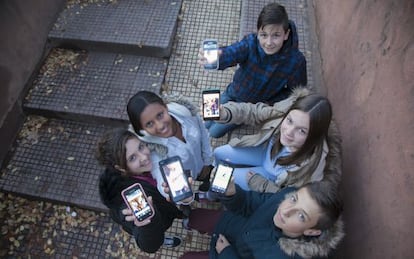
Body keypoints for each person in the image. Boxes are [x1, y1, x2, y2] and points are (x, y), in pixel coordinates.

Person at [149, 180, 344, 258]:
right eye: (294, 199)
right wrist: (235, 194)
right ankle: (195, 226)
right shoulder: (288, 194)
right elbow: (253, 202)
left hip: (234, 252)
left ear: (311, 231)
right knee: (197, 216)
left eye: (301, 215)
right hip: (235, 225)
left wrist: (226, 253)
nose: (286, 210)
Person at [199, 3, 307, 138]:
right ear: (257, 32)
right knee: (206, 120)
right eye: (264, 35)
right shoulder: (250, 43)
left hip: (253, 106)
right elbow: (234, 52)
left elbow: (295, 93)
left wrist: (269, 105)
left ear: (286, 34)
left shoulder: (296, 61)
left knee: (214, 132)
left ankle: (241, 120)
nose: (268, 42)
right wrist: (219, 57)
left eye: (276, 35)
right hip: (234, 92)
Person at [213, 87, 342, 193]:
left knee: (220, 179)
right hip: (264, 152)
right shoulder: (287, 108)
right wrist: (226, 113)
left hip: (269, 178)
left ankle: (214, 194)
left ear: (314, 137)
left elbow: (289, 199)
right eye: (289, 120)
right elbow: (256, 112)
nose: (288, 132)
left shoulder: (313, 169)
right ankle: (217, 178)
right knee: (218, 152)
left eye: (301, 131)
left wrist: (261, 184)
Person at [96, 128, 185, 253]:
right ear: (120, 168)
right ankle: (163, 239)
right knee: (158, 234)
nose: (144, 157)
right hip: (160, 223)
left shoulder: (155, 155)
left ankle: (183, 218)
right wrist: (148, 225)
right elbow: (149, 246)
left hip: (168, 209)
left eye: (141, 147)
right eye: (132, 158)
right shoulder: (125, 204)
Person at [127, 90, 214, 192]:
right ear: (142, 129)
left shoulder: (186, 112)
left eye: (160, 115)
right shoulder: (153, 150)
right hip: (190, 177)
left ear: (166, 107)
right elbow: (159, 175)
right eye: (149, 124)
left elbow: (203, 134)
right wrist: (167, 190)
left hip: (206, 165)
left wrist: (207, 162)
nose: (160, 126)